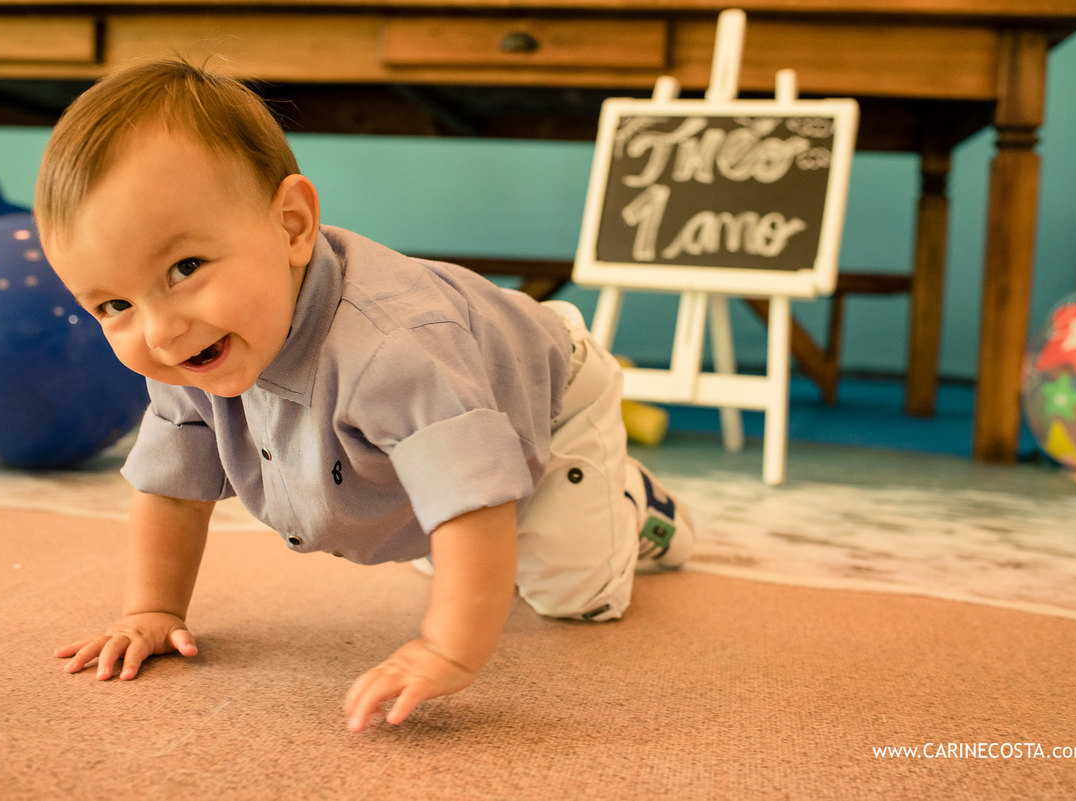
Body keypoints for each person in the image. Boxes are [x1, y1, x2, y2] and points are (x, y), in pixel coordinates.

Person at [36, 58, 694, 733]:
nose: (160, 329)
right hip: (442, 400)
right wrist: (153, 609)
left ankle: (636, 507)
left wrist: (446, 648)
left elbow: (475, 502)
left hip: (549, 393)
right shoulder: (188, 347)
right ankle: (454, 478)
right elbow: (173, 490)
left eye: (185, 268)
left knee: (569, 592)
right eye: (114, 303)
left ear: (292, 225)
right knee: (433, 522)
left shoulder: (391, 350)